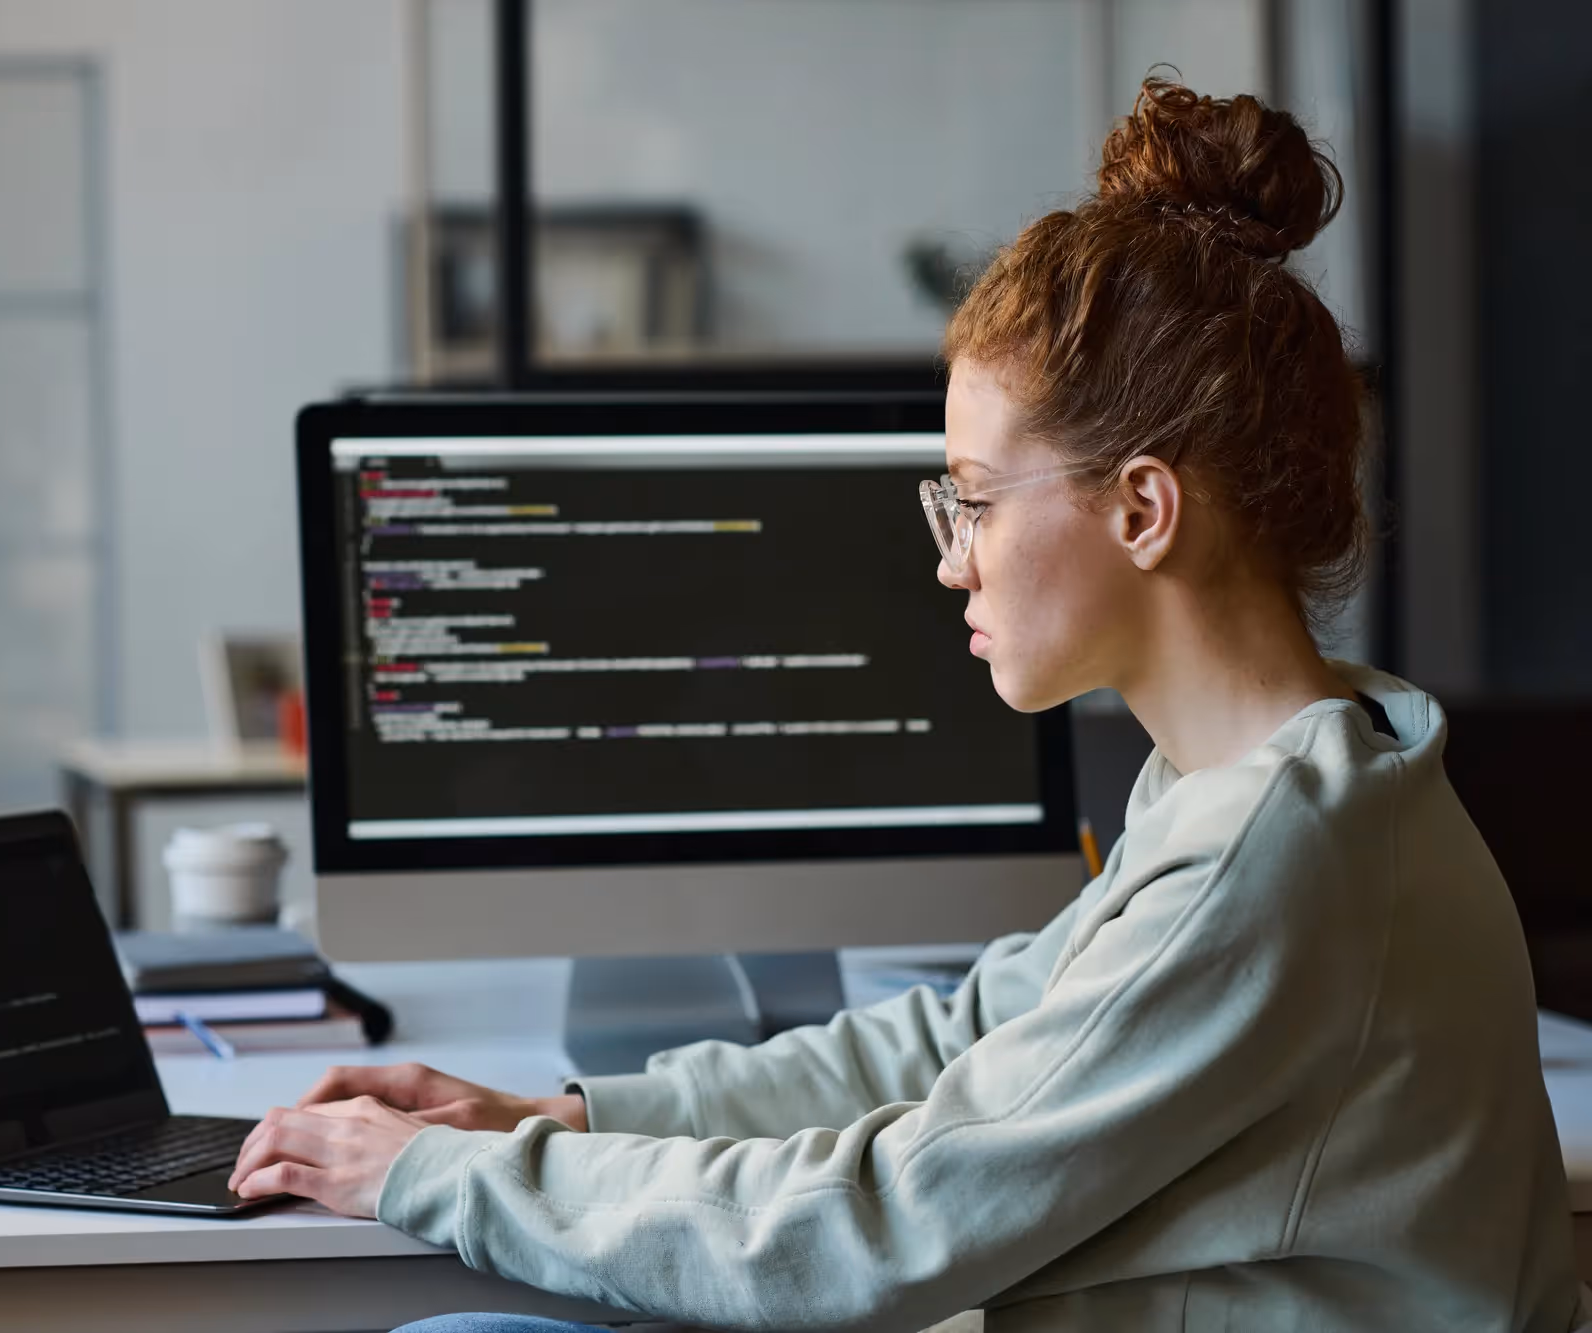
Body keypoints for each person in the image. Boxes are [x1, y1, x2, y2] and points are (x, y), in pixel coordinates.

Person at [228, 79, 1589, 1331]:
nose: (952, 557)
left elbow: (878, 1226)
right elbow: (972, 1035)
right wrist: (560, 1115)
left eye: (976, 499)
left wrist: (445, 1174)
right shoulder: (1286, 777)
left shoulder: (1276, 861)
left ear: (1141, 508)